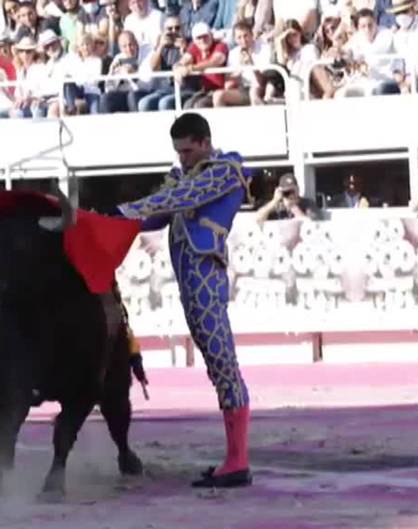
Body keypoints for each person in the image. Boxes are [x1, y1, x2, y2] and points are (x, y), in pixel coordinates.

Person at [113, 112, 253, 489]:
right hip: (190, 280)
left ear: (205, 143)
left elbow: (181, 197)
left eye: (188, 151)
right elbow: (160, 212)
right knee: (216, 363)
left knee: (223, 362)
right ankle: (234, 459)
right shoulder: (187, 176)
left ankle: (238, 462)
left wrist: (126, 211)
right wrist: (117, 223)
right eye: (179, 153)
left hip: (207, 276)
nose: (183, 159)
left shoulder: (226, 170)